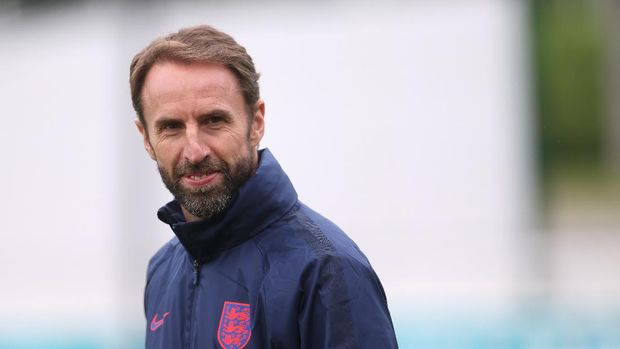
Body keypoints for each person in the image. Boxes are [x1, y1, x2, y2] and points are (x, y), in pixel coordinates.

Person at [130, 25, 398, 349]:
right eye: (171, 127)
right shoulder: (162, 271)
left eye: (214, 120)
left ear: (256, 123)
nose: (194, 151)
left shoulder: (326, 271)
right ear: (146, 139)